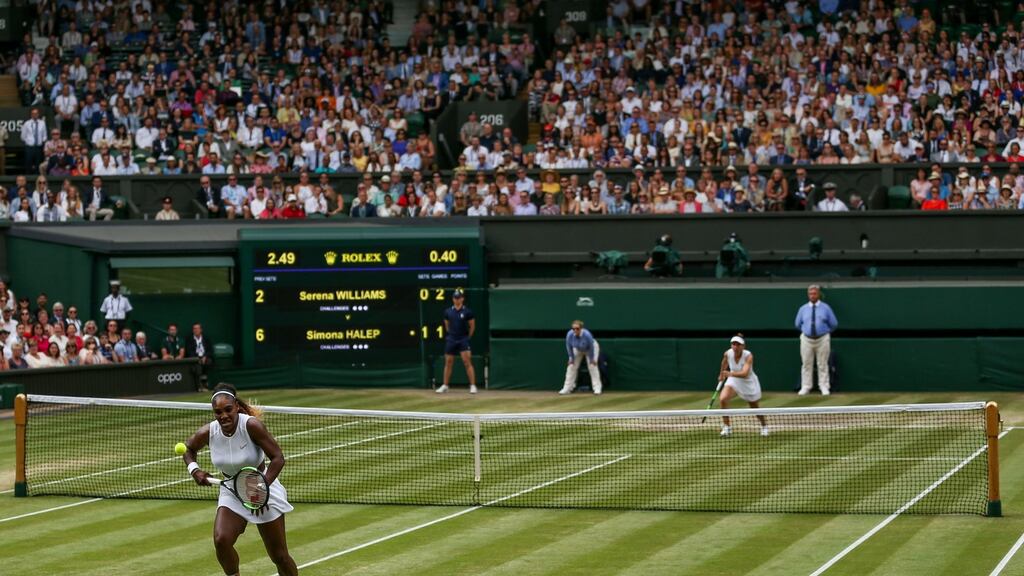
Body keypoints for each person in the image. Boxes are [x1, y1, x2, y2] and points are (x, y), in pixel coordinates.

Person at [182, 383, 297, 576]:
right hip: (231, 490)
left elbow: (278, 458)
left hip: (261, 486)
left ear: (236, 406)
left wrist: (260, 490)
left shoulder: (251, 425)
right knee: (221, 540)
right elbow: (188, 449)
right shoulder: (209, 432)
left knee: (279, 556)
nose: (223, 416)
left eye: (228, 409)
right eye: (218, 412)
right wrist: (195, 471)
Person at [717, 334, 769, 437]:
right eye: (733, 344)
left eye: (738, 345)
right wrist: (721, 374)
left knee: (754, 407)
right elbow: (724, 363)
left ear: (743, 346)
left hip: (748, 382)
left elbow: (744, 373)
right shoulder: (728, 353)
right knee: (723, 398)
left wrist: (729, 373)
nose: (735, 347)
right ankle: (727, 427)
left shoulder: (748, 356)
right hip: (733, 380)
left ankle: (764, 426)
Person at [794, 284, 838, 396]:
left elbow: (834, 324)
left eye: (814, 293)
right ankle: (806, 386)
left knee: (822, 363)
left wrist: (823, 331)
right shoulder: (803, 309)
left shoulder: (826, 308)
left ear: (818, 294)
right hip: (806, 339)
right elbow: (798, 324)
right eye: (810, 294)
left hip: (822, 339)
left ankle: (824, 386)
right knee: (806, 363)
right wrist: (807, 331)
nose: (812, 296)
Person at [436, 290, 477, 394]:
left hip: (463, 339)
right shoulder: (448, 311)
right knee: (448, 362)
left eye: (458, 298)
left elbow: (472, 326)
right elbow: (447, 325)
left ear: (462, 299)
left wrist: (467, 337)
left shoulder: (468, 312)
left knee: (467, 362)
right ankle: (445, 385)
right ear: (453, 299)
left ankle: (473, 386)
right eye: (455, 298)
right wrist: (451, 335)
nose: (457, 299)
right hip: (451, 339)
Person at [559, 320, 603, 395]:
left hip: (590, 349)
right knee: (571, 366)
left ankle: (597, 388)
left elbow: (591, 347)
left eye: (577, 328)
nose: (575, 330)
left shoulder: (587, 335)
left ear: (581, 328)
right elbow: (569, 346)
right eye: (573, 329)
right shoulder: (569, 334)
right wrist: (571, 358)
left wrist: (592, 359)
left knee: (592, 366)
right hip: (578, 348)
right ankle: (567, 388)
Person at [187, 322, 215, 386]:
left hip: (205, 357)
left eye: (197, 328)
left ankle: (207, 383)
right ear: (193, 330)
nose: (196, 330)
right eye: (194, 329)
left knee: (209, 362)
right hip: (195, 358)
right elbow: (189, 351)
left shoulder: (206, 338)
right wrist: (197, 359)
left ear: (201, 330)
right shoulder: (189, 339)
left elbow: (210, 350)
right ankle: (199, 385)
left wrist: (205, 356)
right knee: (197, 366)